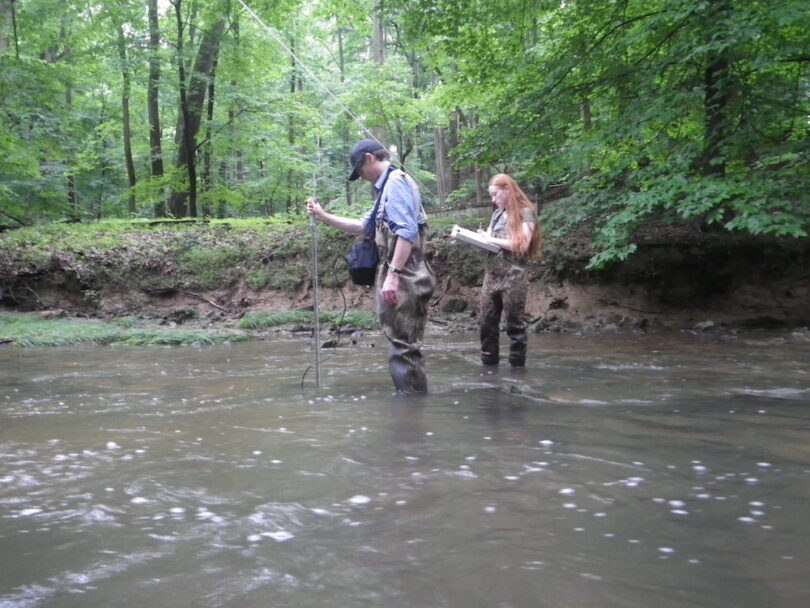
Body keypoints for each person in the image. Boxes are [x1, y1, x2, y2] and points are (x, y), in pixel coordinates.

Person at [306, 139, 436, 393]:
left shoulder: (396, 182)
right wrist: (323, 216)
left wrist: (394, 274)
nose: (362, 177)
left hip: (408, 275)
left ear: (369, 158)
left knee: (404, 348)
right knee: (401, 345)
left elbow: (407, 232)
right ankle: (410, 414)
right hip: (403, 274)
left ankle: (410, 414)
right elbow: (362, 226)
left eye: (360, 170)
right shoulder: (385, 188)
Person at [477, 174, 541, 367]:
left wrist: (491, 239)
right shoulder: (497, 214)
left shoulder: (526, 212)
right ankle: (488, 369)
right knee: (486, 325)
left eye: (495, 195)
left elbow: (521, 245)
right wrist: (478, 240)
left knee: (515, 326)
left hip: (514, 277)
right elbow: (491, 242)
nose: (493, 200)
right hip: (491, 277)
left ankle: (517, 372)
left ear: (507, 190)